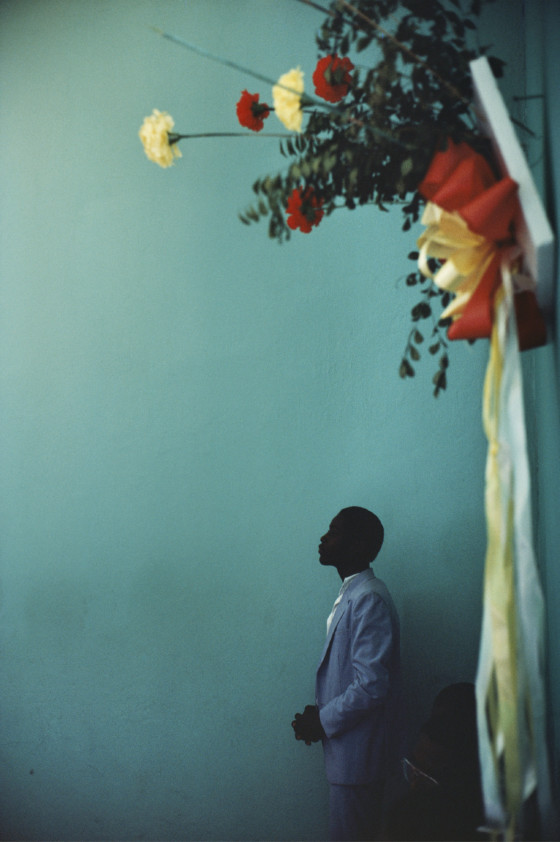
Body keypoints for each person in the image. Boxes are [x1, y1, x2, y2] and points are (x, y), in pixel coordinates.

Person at [292, 506, 400, 841]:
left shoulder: (369, 598)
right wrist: (319, 714)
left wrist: (322, 721)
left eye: (334, 532)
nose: (323, 538)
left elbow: (371, 686)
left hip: (358, 761)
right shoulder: (352, 594)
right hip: (349, 757)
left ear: (358, 546)